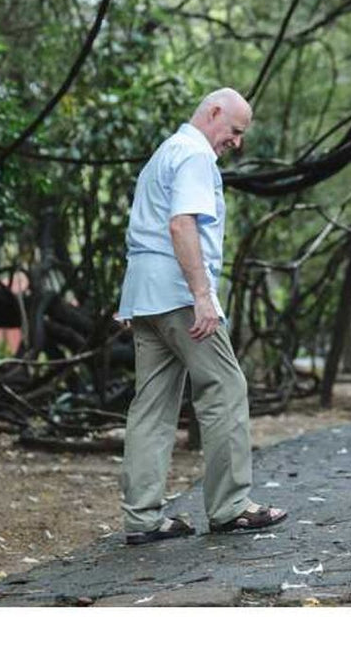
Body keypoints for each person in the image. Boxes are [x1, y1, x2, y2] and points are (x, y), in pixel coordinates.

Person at [116, 88, 287, 545]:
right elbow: (180, 224)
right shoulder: (194, 156)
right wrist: (203, 296)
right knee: (225, 388)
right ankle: (231, 507)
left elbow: (146, 228)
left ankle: (143, 519)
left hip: (146, 296)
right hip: (179, 294)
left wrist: (131, 300)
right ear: (213, 113)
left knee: (151, 406)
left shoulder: (163, 153)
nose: (236, 142)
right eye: (234, 131)